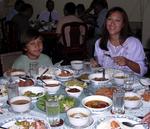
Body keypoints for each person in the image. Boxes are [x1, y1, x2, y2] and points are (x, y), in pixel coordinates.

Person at [90, 7, 147, 76]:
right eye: (109, 19)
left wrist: (127, 62)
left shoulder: (133, 43)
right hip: (108, 82)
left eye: (117, 20)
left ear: (123, 24)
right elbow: (100, 68)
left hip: (130, 83)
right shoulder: (99, 42)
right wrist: (95, 65)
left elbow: (143, 70)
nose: (112, 23)